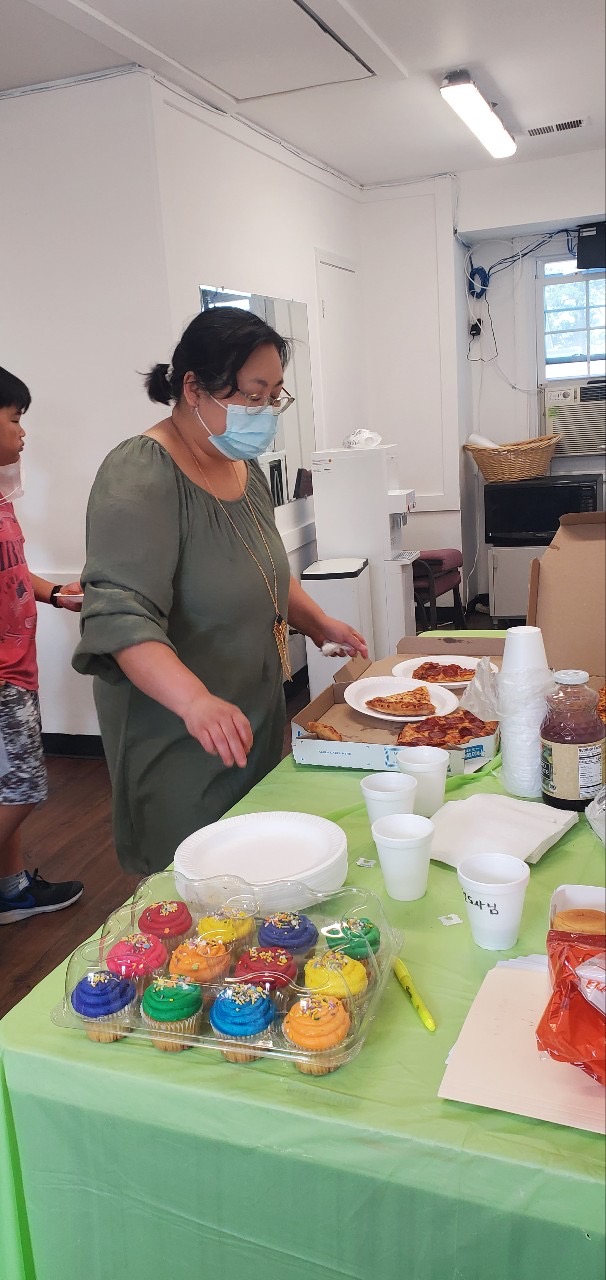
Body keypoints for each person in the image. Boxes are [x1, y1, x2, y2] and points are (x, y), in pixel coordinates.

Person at [73, 307, 367, 875]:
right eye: (253, 395)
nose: (265, 412)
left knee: (256, 866)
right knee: (198, 878)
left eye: (275, 397)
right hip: (180, 726)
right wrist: (194, 701)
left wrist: (317, 621)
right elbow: (120, 615)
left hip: (249, 709)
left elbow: (262, 569)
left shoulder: (241, 466)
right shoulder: (140, 474)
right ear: (193, 388)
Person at [0, 366, 84, 924]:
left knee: (6, 788)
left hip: (18, 664)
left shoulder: (2, 498)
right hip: (2, 677)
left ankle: (11, 891)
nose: (23, 431)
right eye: (14, 419)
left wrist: (53, 593)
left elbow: (12, 571)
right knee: (23, 789)